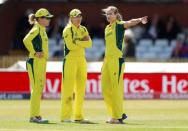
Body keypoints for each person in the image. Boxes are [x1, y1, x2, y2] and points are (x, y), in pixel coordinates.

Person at [101, 6, 148, 124]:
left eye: (111, 14)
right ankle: (116, 113)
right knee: (105, 88)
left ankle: (116, 117)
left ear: (116, 14)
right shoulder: (107, 28)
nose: (108, 16)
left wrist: (139, 20)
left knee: (116, 89)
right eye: (107, 14)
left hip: (116, 60)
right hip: (107, 61)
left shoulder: (119, 25)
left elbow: (130, 22)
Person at [60, 9, 92, 123]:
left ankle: (78, 116)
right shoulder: (67, 30)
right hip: (70, 60)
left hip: (82, 60)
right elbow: (70, 46)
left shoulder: (83, 29)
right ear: (71, 18)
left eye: (79, 17)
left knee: (80, 90)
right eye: (75, 17)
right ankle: (65, 116)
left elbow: (90, 43)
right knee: (68, 89)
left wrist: (77, 41)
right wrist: (81, 41)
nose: (78, 19)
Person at [23, 8, 53, 123]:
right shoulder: (36, 28)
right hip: (35, 61)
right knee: (36, 89)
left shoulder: (42, 29)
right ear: (40, 19)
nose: (49, 19)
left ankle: (36, 114)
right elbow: (26, 40)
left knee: (39, 89)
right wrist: (34, 52)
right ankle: (33, 116)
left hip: (41, 62)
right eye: (47, 17)